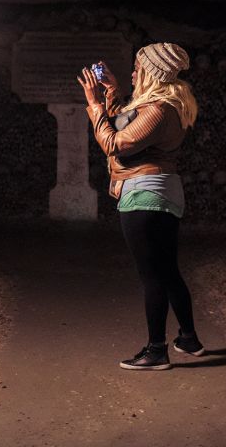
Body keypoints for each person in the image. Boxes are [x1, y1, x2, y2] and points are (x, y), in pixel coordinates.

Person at [77, 43, 204, 370]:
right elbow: (125, 124)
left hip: (146, 193)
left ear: (152, 72)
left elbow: (115, 143)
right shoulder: (158, 106)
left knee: (152, 276)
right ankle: (188, 339)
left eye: (137, 68)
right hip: (160, 190)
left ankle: (156, 350)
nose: (133, 72)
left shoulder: (160, 110)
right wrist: (113, 93)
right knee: (167, 269)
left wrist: (93, 105)